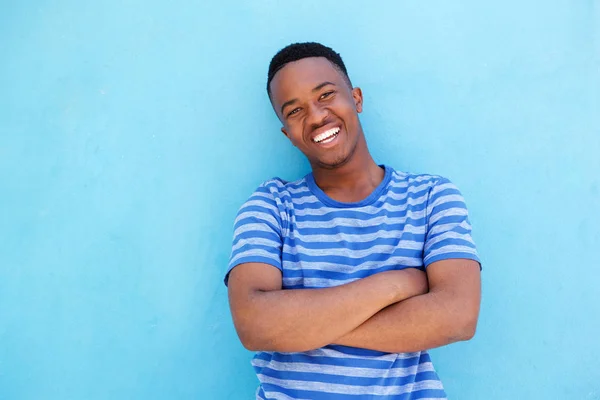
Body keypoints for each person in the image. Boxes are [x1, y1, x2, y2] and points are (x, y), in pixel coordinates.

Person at [225, 42, 481, 400]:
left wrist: (300, 324)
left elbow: (457, 316)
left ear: (356, 98)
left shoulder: (430, 197)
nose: (315, 117)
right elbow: (254, 325)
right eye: (295, 110)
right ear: (286, 132)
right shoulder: (270, 206)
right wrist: (396, 284)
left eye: (326, 95)